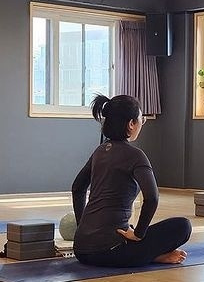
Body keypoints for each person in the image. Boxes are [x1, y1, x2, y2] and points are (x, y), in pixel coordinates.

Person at [72, 94, 191, 267]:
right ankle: (153, 256)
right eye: (141, 119)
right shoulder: (136, 156)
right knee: (183, 226)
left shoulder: (100, 151)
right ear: (131, 124)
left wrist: (82, 228)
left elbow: (77, 188)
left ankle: (148, 254)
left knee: (130, 228)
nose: (142, 123)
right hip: (109, 251)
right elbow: (152, 198)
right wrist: (139, 234)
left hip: (81, 250)